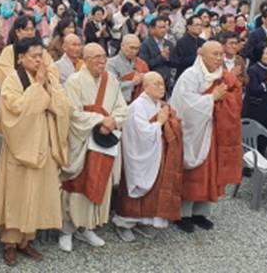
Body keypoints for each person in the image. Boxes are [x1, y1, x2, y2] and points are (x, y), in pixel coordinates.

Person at [0, 37, 73, 266]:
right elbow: (15, 111)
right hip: (20, 145)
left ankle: (27, 240)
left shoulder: (48, 78)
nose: (38, 60)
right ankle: (10, 242)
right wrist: (37, 89)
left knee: (38, 192)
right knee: (16, 194)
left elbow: (64, 107)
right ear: (20, 58)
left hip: (43, 141)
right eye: (33, 56)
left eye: (41, 56)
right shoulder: (13, 81)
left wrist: (45, 90)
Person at [58, 43, 128, 252]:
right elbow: (73, 113)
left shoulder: (112, 80)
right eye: (96, 57)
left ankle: (87, 227)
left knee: (100, 183)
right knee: (76, 186)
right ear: (85, 60)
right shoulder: (74, 81)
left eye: (104, 57)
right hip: (82, 142)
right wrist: (100, 120)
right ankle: (66, 229)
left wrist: (113, 121)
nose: (101, 61)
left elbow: (122, 108)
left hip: (104, 143)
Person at [168, 41, 243, 232]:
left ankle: (200, 212)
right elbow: (185, 105)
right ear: (202, 55)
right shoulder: (190, 75)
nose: (219, 59)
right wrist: (212, 98)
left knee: (211, 172)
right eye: (214, 55)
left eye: (220, 54)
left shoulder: (223, 76)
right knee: (193, 173)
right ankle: (182, 214)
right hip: (194, 132)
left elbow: (235, 95)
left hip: (213, 130)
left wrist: (222, 99)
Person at [113, 72, 183, 240]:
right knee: (134, 188)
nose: (161, 87)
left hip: (155, 153)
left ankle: (144, 221)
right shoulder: (137, 106)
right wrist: (159, 122)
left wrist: (168, 121)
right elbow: (142, 132)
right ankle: (124, 223)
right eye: (156, 84)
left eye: (162, 83)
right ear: (145, 87)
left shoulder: (159, 104)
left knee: (154, 189)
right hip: (138, 154)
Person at [243, 43, 267, 155]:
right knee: (256, 142)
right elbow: (255, 90)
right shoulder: (253, 70)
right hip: (256, 111)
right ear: (260, 55)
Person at [107, 34, 149, 102]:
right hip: (118, 102)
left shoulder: (142, 63)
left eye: (137, 48)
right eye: (131, 48)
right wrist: (132, 82)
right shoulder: (111, 63)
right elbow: (111, 86)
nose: (134, 51)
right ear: (122, 46)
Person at [139, 16, 175, 87]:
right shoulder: (146, 44)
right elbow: (144, 64)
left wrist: (169, 58)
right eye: (160, 27)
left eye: (164, 27)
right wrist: (161, 57)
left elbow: (174, 62)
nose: (163, 30)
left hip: (167, 80)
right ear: (152, 29)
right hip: (152, 81)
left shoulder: (169, 44)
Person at [171, 15, 206, 80]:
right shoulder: (182, 42)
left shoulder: (203, 42)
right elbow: (178, 62)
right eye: (197, 25)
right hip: (185, 76)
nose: (199, 27)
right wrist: (196, 55)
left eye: (201, 25)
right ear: (189, 27)